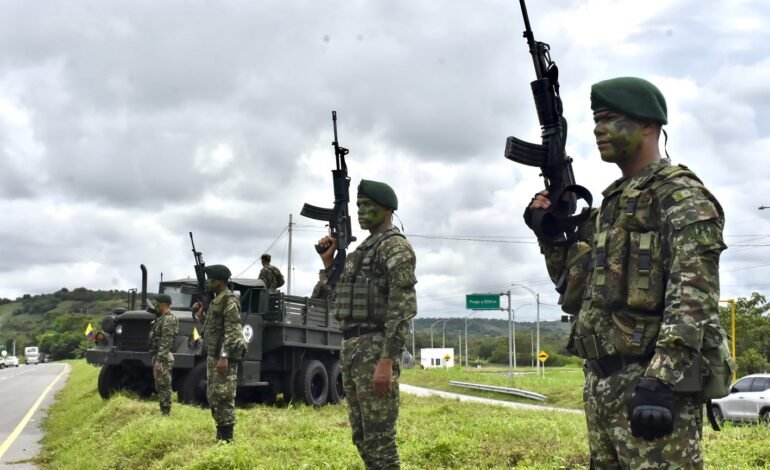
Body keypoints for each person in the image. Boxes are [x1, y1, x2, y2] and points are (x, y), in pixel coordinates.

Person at [528, 77, 726, 468]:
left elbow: (694, 298)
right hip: (603, 384)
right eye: (596, 120)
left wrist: (660, 379)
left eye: (610, 118)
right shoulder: (613, 205)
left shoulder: (679, 195)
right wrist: (549, 232)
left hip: (651, 387)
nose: (599, 129)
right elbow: (572, 288)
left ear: (648, 125)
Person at [316, 179, 417, 470]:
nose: (360, 211)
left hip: (375, 348)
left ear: (387, 210)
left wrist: (387, 360)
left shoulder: (394, 247)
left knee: (380, 441)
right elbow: (343, 302)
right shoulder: (362, 251)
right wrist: (328, 264)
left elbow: (402, 309)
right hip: (352, 347)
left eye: (367, 206)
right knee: (362, 436)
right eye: (358, 205)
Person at [192, 264, 246, 442]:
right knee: (213, 395)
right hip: (212, 355)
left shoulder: (229, 301)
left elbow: (232, 331)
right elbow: (212, 329)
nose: (208, 282)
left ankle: (227, 437)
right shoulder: (216, 300)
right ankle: (220, 433)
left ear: (221, 281)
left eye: (211, 279)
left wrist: (224, 356)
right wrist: (201, 316)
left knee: (224, 395)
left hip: (223, 357)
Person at [148, 294, 178, 416]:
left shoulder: (169, 319)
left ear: (163, 304)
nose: (155, 305)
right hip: (159, 356)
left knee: (164, 385)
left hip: (164, 357)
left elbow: (166, 341)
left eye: (157, 303)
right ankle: (163, 410)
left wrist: (160, 360)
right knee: (160, 385)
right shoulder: (162, 318)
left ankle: (165, 412)